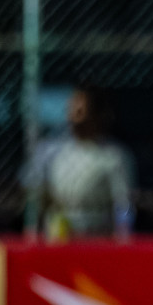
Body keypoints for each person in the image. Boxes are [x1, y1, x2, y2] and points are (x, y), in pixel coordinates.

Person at [20, 85, 135, 241]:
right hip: (58, 232)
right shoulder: (51, 150)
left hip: (96, 233)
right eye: (72, 107)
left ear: (96, 114)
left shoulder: (113, 155)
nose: (75, 113)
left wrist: (123, 235)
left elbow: (123, 203)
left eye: (81, 109)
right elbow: (32, 186)